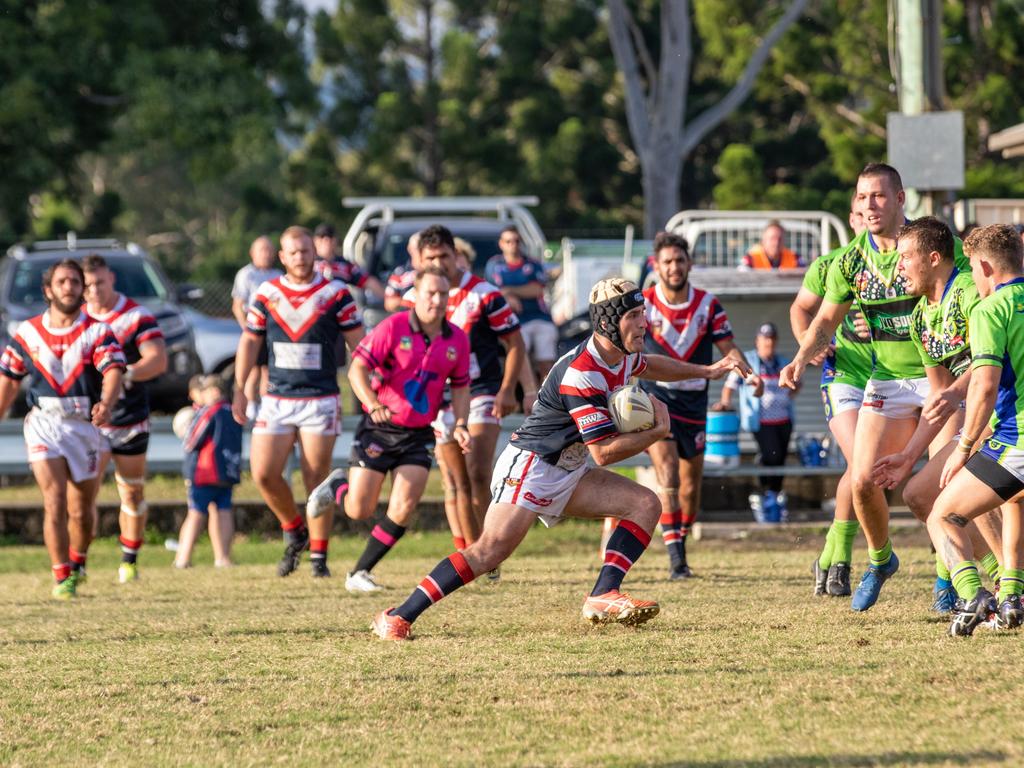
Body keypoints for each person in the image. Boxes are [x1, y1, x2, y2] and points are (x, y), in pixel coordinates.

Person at [370, 277, 749, 640]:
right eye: (633, 316)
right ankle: (399, 615)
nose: (643, 322)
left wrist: (707, 370)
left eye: (642, 313)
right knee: (488, 552)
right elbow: (602, 453)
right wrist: (654, 433)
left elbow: (649, 364)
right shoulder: (582, 373)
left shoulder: (619, 355)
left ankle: (604, 594)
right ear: (608, 322)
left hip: (568, 466)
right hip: (532, 467)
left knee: (644, 503)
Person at [780, 162, 968, 611]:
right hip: (886, 380)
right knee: (863, 480)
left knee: (946, 480)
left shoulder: (936, 246)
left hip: (939, 378)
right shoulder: (850, 261)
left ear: (901, 199)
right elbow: (825, 319)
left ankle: (946, 578)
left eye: (879, 196)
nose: (870, 205)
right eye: (862, 197)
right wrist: (801, 357)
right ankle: (881, 559)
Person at [305, 266, 472, 592]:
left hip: (419, 433)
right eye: (430, 293)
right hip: (380, 429)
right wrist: (373, 403)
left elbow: (462, 386)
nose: (436, 300)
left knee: (404, 507)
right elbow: (357, 370)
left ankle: (359, 573)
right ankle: (339, 485)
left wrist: (461, 423)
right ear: (416, 296)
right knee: (359, 509)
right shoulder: (394, 327)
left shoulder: (457, 340)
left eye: (442, 294)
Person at [870, 217, 1003, 614]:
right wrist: (908, 456)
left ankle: (1005, 586)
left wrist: (958, 395)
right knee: (918, 494)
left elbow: (989, 363)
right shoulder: (919, 319)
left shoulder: (968, 293)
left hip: (1005, 412)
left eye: (906, 257)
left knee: (965, 496)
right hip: (980, 417)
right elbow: (938, 398)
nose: (899, 267)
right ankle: (981, 589)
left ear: (932, 258)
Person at [232, 226, 365, 578]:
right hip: (275, 396)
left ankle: (319, 558)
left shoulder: (336, 293)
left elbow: (360, 345)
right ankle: (295, 531)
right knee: (263, 473)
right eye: (293, 252)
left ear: (314, 253)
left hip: (320, 397)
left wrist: (371, 386)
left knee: (315, 479)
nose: (300, 258)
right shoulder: (267, 293)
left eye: (306, 251)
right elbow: (249, 342)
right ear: (282, 257)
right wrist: (239, 387)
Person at [403, 225, 531, 562]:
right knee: (453, 480)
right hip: (438, 398)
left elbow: (515, 343)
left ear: (455, 254)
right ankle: (467, 555)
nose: (438, 263)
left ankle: (490, 551)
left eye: (444, 255)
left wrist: (508, 389)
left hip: (482, 391)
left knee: (477, 471)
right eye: (430, 257)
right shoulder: (415, 296)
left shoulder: (486, 294)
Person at [0, 259, 125, 598]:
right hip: (44, 423)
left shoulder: (98, 331)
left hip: (83, 427)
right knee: (54, 500)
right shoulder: (27, 333)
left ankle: (78, 560)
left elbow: (113, 370)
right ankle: (61, 577)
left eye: (74, 281)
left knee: (81, 510)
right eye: (62, 281)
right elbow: (9, 381)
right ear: (48, 290)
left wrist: (108, 403)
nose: (69, 287)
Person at [640, 231, 761, 578]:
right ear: (656, 266)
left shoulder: (708, 305)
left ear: (689, 263)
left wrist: (748, 374)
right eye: (667, 262)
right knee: (668, 475)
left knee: (691, 489)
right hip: (655, 400)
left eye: (680, 260)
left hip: (694, 404)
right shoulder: (644, 304)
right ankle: (677, 561)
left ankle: (681, 538)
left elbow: (728, 348)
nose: (674, 267)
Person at [926, 224, 1024, 635]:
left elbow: (983, 385)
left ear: (984, 266)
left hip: (1016, 438)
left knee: (942, 516)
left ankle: (971, 596)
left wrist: (964, 446)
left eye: (972, 269)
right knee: (1015, 501)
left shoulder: (991, 309)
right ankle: (1013, 600)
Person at [790, 201, 869, 597]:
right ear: (851, 219)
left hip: (894, 377)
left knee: (873, 474)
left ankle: (827, 555)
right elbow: (801, 308)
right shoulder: (831, 265)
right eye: (857, 212)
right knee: (860, 466)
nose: (865, 219)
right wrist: (811, 345)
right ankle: (841, 560)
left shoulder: (904, 260)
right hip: (845, 376)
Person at [82, 254, 168, 583]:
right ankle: (78, 561)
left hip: (129, 417)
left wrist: (120, 373)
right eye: (87, 285)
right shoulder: (76, 320)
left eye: (99, 283)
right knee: (83, 493)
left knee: (131, 492)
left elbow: (157, 361)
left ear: (112, 279)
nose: (93, 291)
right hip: (89, 421)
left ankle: (129, 559)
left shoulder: (135, 316)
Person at [716, 323, 795, 522]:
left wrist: (784, 397)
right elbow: (730, 386)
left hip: (784, 420)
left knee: (780, 457)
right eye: (764, 338)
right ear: (757, 341)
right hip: (761, 421)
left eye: (771, 339)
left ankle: (775, 495)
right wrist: (725, 402)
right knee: (770, 455)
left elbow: (795, 384)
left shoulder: (781, 362)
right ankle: (766, 493)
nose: (768, 342)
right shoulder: (749, 361)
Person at [175, 376, 242, 569]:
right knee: (223, 511)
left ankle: (183, 558)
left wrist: (185, 436)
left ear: (214, 392)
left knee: (196, 512)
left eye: (204, 392)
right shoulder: (234, 411)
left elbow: (192, 441)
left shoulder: (210, 412)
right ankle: (223, 557)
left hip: (205, 473)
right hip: (228, 470)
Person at [485, 225, 558, 382]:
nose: (513, 244)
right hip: (512, 321)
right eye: (508, 241)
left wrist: (509, 291)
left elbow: (537, 289)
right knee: (518, 358)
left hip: (539, 318)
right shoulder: (494, 265)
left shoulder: (532, 264)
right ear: (501, 243)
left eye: (517, 241)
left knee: (546, 361)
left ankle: (547, 398)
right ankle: (528, 396)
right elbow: (491, 291)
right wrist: (507, 297)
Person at [231, 236, 282, 416]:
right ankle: (251, 405)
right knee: (252, 370)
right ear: (253, 253)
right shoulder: (246, 274)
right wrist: (247, 328)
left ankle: (267, 405)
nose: (266, 254)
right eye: (262, 250)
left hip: (273, 330)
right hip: (254, 329)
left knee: (269, 370)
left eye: (269, 250)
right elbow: (238, 305)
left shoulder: (278, 275)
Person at [313, 223, 386, 302]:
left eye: (330, 237)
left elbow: (368, 281)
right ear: (315, 240)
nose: (326, 241)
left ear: (335, 240)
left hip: (337, 308)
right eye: (321, 237)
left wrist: (389, 299)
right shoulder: (308, 262)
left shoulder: (345, 265)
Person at [739, 220, 804, 270]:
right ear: (763, 240)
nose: (776, 243)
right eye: (772, 238)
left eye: (780, 239)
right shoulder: (751, 259)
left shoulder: (795, 258)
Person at [383, 233, 421, 313]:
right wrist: (409, 302)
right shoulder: (399, 273)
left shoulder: (435, 270)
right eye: (418, 248)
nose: (421, 251)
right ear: (409, 249)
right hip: (408, 317)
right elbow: (389, 303)